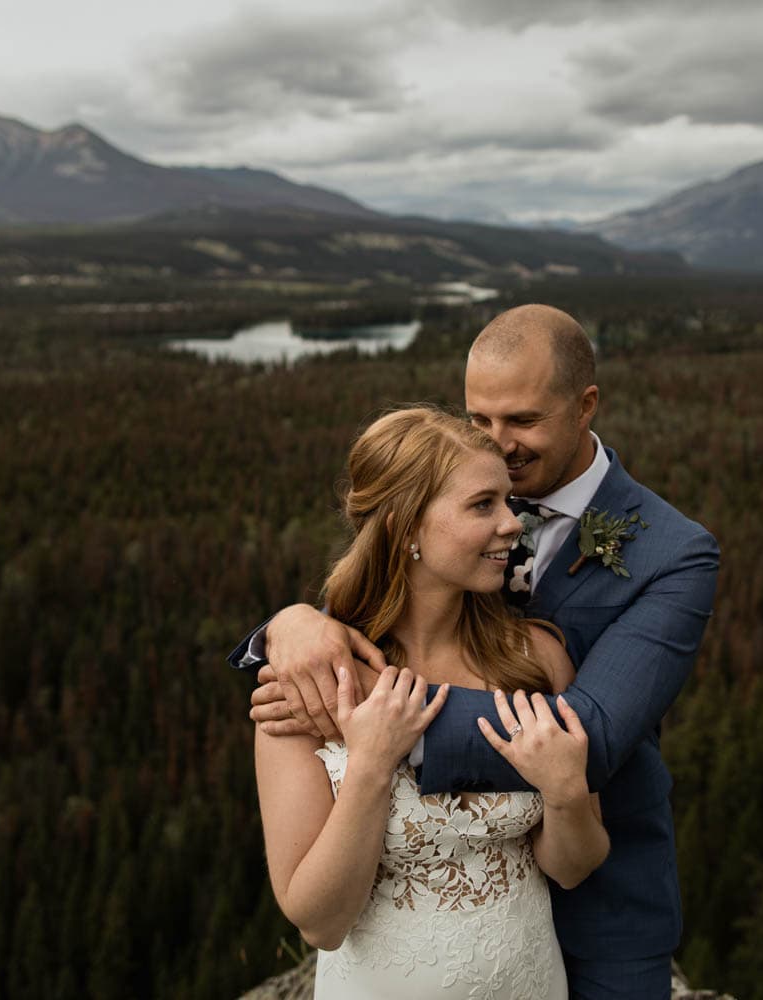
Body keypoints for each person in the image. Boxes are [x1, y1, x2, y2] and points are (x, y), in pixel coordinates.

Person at [236, 305, 720, 1000]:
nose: (499, 442)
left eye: (522, 421)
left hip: (601, 918)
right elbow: (394, 598)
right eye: (479, 419)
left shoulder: (672, 554)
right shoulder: (457, 493)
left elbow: (593, 735)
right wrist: (288, 628)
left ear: (586, 407)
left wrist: (365, 711)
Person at [254, 406, 610, 998]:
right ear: (404, 527)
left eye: (507, 501)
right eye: (482, 505)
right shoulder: (312, 680)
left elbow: (573, 867)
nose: (513, 524)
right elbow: (319, 922)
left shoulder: (538, 658)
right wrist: (370, 764)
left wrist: (567, 792)